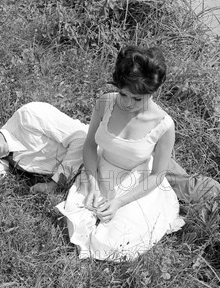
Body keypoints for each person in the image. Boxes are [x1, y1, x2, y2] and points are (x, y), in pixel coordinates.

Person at [55, 45, 184, 261]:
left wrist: (119, 202)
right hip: (101, 170)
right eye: (124, 94)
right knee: (81, 218)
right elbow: (89, 146)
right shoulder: (106, 102)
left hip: (137, 182)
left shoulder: (164, 125)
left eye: (137, 99)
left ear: (153, 92)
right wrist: (93, 184)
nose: (127, 103)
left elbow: (157, 175)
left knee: (113, 244)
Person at [0, 102, 220, 201]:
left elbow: (80, 139)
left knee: (178, 184)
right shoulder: (10, 159)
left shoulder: (27, 116)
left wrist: (54, 184)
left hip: (110, 150)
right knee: (159, 198)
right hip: (97, 176)